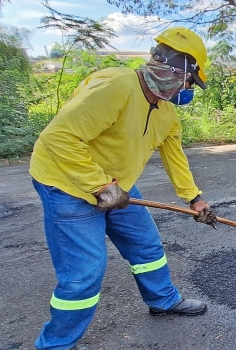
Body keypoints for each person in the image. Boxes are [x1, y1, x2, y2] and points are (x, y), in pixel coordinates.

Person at [29, 27, 218, 349]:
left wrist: (195, 200)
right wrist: (99, 185)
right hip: (67, 185)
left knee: (146, 246)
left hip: (118, 186)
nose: (188, 91)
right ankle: (55, 345)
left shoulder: (167, 112)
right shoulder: (116, 85)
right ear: (179, 70)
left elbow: (175, 159)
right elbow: (58, 138)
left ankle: (163, 300)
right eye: (190, 82)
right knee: (84, 273)